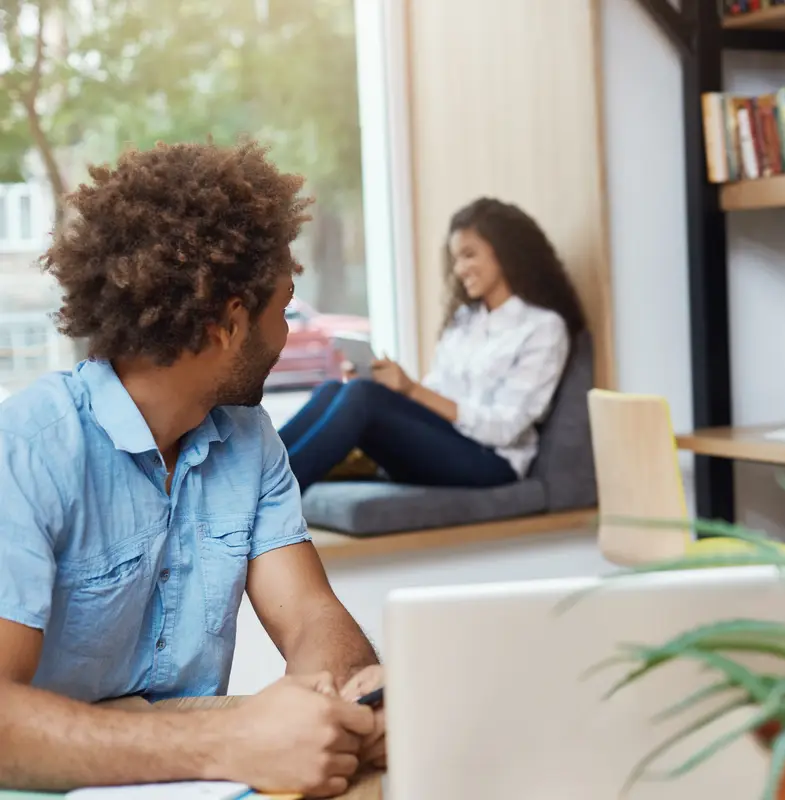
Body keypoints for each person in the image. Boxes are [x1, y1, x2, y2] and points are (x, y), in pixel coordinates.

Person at [0, 140, 386, 797]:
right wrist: (228, 742)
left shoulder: (249, 441)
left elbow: (314, 617)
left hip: (183, 763)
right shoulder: (28, 451)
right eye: (282, 309)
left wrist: (341, 706)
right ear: (229, 323)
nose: (286, 333)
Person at [281, 196, 587, 494]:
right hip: (443, 443)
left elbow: (506, 428)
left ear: (505, 252)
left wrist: (412, 390)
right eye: (456, 258)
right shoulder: (465, 320)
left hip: (492, 462)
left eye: (469, 254)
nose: (459, 269)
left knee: (362, 396)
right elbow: (435, 395)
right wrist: (395, 388)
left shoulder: (542, 328)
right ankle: (251, 480)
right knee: (334, 390)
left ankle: (272, 502)